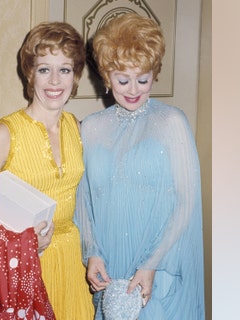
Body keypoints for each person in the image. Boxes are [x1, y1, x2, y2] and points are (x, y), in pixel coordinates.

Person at [75, 13, 206, 319]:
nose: (133, 89)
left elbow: (186, 202)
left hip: (160, 265)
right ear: (106, 76)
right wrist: (92, 251)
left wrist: (151, 263)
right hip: (110, 265)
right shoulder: (91, 127)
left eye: (142, 78)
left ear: (154, 74)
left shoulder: (171, 122)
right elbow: (84, 199)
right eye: (123, 79)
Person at [0, 21, 94, 319]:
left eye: (64, 69)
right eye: (44, 69)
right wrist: (19, 243)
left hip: (72, 262)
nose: (54, 81)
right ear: (30, 73)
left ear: (75, 75)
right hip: (27, 266)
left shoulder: (76, 127)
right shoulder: (4, 133)